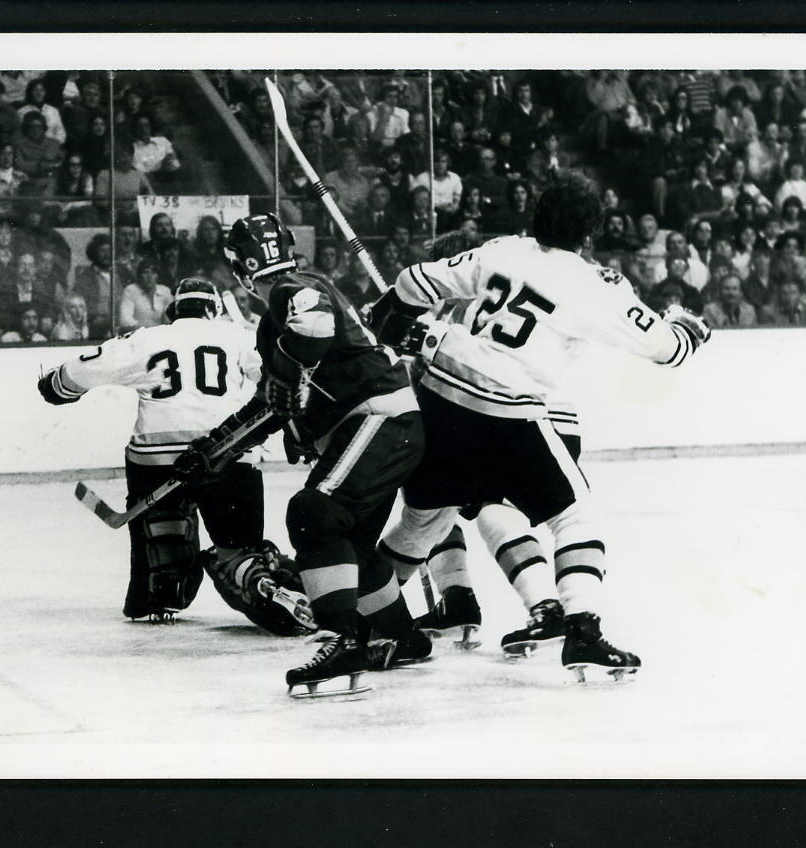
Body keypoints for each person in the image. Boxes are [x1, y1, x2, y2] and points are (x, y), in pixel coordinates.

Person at [369, 171, 711, 682]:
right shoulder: (595, 284)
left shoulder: (502, 250)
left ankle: (370, 625)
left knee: (423, 524)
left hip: (440, 396)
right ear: (590, 234)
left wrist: (390, 317)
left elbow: (412, 282)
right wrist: (689, 328)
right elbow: (669, 350)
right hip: (506, 409)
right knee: (575, 518)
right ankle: (583, 631)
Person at [174, 213, 429, 697]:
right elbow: (274, 403)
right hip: (386, 427)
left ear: (238, 268)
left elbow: (312, 334)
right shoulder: (279, 316)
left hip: (379, 420)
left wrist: (286, 377)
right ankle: (402, 636)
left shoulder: (294, 288)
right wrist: (216, 448)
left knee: (314, 513)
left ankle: (341, 639)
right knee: (347, 544)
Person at [37, 279, 313, 635]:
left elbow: (82, 369)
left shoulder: (149, 338)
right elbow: (279, 383)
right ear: (213, 310)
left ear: (174, 312)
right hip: (228, 451)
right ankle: (255, 576)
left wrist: (58, 386)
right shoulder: (238, 336)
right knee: (238, 549)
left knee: (163, 565)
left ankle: (161, 592)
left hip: (156, 458)